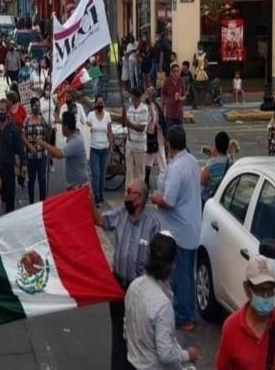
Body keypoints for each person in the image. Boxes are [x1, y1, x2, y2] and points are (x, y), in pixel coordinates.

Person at [93, 180, 161, 370]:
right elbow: (99, 220)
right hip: (118, 287)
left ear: (139, 199)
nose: (126, 196)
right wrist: (89, 198)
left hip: (139, 292)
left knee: (137, 336)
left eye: (129, 192)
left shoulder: (153, 225)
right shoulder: (121, 215)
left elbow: (159, 260)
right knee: (118, 336)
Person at [150, 126, 202, 332]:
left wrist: (155, 198)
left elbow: (169, 201)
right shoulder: (191, 161)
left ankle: (184, 317)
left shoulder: (177, 168)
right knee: (188, 274)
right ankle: (188, 311)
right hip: (191, 227)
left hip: (179, 231)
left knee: (181, 275)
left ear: (169, 144)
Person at [216, 255, 275, 370]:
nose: (265, 297)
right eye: (260, 290)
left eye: (270, 290)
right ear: (247, 289)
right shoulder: (231, 327)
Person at [124, 232, 200, 369]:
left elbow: (126, 328)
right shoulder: (162, 305)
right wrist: (187, 355)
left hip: (132, 363)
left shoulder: (134, 286)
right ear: (172, 264)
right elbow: (166, 355)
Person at [0, 99, 27, 213]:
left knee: (9, 201)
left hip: (8, 169)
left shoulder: (13, 129)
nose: (0, 112)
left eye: (3, 110)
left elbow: (20, 149)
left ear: (8, 111)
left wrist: (23, 164)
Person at [37, 111, 90, 190]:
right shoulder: (75, 132)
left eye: (62, 126)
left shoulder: (75, 141)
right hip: (74, 183)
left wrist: (43, 143)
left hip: (78, 186)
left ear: (65, 128)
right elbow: (56, 153)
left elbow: (59, 154)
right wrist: (56, 121)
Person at [21, 97, 49, 204]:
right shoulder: (27, 120)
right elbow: (22, 136)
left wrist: (49, 129)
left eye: (38, 105)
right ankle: (31, 203)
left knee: (42, 179)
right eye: (35, 105)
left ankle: (43, 203)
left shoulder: (42, 119)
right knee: (31, 180)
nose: (37, 107)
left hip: (42, 155)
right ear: (32, 106)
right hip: (30, 156)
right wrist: (30, 146)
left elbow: (46, 137)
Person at [86, 95, 113, 206]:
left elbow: (110, 132)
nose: (100, 104)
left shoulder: (107, 116)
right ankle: (96, 198)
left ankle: (101, 196)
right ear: (95, 104)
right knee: (96, 175)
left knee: (102, 175)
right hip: (94, 148)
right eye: (98, 102)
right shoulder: (91, 115)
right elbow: (86, 130)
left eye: (101, 102)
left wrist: (111, 145)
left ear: (104, 104)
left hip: (105, 149)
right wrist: (89, 129)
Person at [200, 131, 232, 206]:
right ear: (227, 147)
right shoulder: (231, 163)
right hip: (224, 199)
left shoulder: (211, 163)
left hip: (209, 199)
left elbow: (202, 181)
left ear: (216, 147)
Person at [125, 88, 149, 184]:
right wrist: (124, 120)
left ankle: (139, 193)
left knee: (140, 172)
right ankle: (128, 192)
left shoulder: (144, 109)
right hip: (130, 144)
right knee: (129, 172)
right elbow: (125, 123)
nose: (130, 97)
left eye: (132, 95)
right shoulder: (130, 109)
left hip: (140, 145)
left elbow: (142, 127)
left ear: (135, 96)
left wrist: (129, 124)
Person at [144, 87, 167, 186]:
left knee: (160, 156)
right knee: (150, 157)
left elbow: (156, 120)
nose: (147, 95)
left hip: (156, 135)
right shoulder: (150, 106)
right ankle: (147, 180)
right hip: (152, 135)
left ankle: (165, 179)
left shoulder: (153, 106)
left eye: (148, 94)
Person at [161, 63, 186, 129]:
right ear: (170, 72)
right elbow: (163, 96)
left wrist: (180, 98)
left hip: (179, 113)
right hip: (169, 114)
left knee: (179, 134)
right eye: (174, 71)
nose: (176, 73)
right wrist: (162, 110)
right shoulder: (167, 81)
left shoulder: (181, 81)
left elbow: (184, 96)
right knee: (169, 133)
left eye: (177, 71)